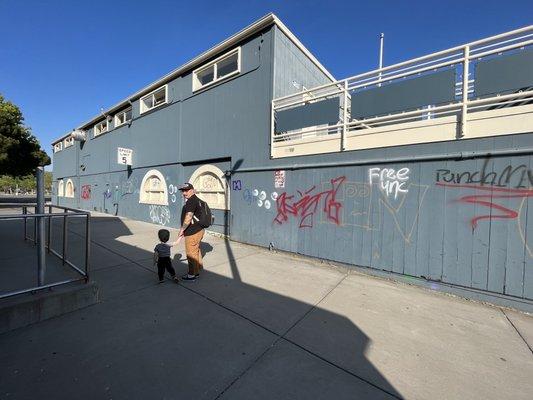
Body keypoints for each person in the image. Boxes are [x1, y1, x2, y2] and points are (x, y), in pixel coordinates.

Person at [178, 183, 204, 281]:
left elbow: (188, 217)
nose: (184, 193)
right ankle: (197, 269)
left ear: (192, 190)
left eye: (187, 190)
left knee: (190, 253)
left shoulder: (191, 201)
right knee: (196, 250)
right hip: (199, 230)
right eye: (183, 191)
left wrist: (182, 230)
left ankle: (192, 275)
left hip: (193, 232)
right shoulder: (196, 200)